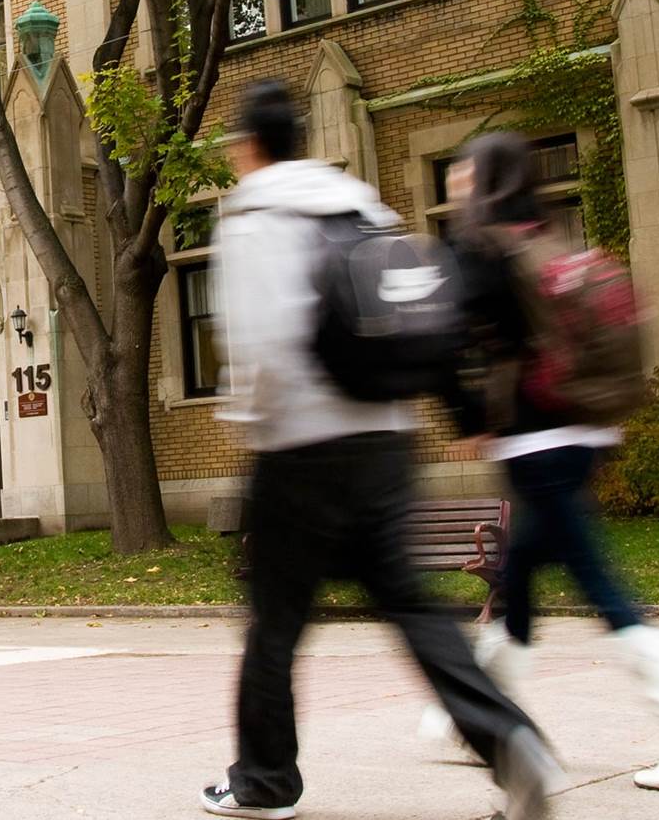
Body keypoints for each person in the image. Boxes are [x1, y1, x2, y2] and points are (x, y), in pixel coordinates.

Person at [200, 81, 558, 820]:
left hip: (301, 444)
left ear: (246, 146)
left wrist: (251, 424)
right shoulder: (362, 202)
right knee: (411, 602)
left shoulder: (252, 213)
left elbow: (262, 344)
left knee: (273, 620)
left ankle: (264, 780)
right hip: (388, 439)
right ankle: (508, 735)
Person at [436, 130, 659, 792]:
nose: (457, 180)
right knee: (519, 574)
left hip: (534, 442)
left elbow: (450, 338)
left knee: (603, 587)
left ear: (482, 178)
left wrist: (468, 415)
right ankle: (480, 720)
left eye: (464, 171)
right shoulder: (548, 238)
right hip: (585, 435)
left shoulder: (485, 247)